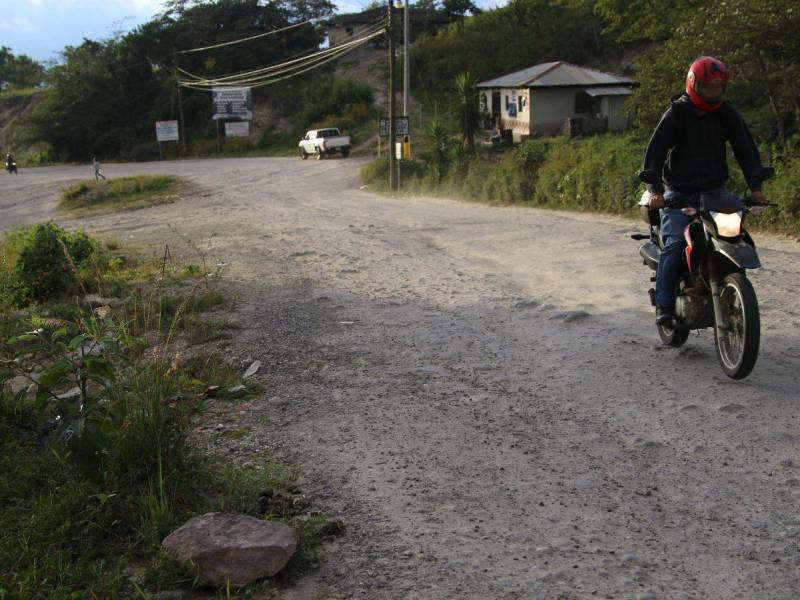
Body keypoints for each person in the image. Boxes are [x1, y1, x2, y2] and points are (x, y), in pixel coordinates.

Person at [640, 56, 768, 326]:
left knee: (737, 234)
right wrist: (655, 190)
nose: (713, 93)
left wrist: (756, 187)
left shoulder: (726, 113)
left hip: (715, 191)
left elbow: (746, 150)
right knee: (674, 245)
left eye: (719, 87)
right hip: (679, 194)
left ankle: (731, 284)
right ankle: (664, 305)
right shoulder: (677, 113)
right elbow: (655, 154)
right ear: (693, 85)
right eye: (708, 87)